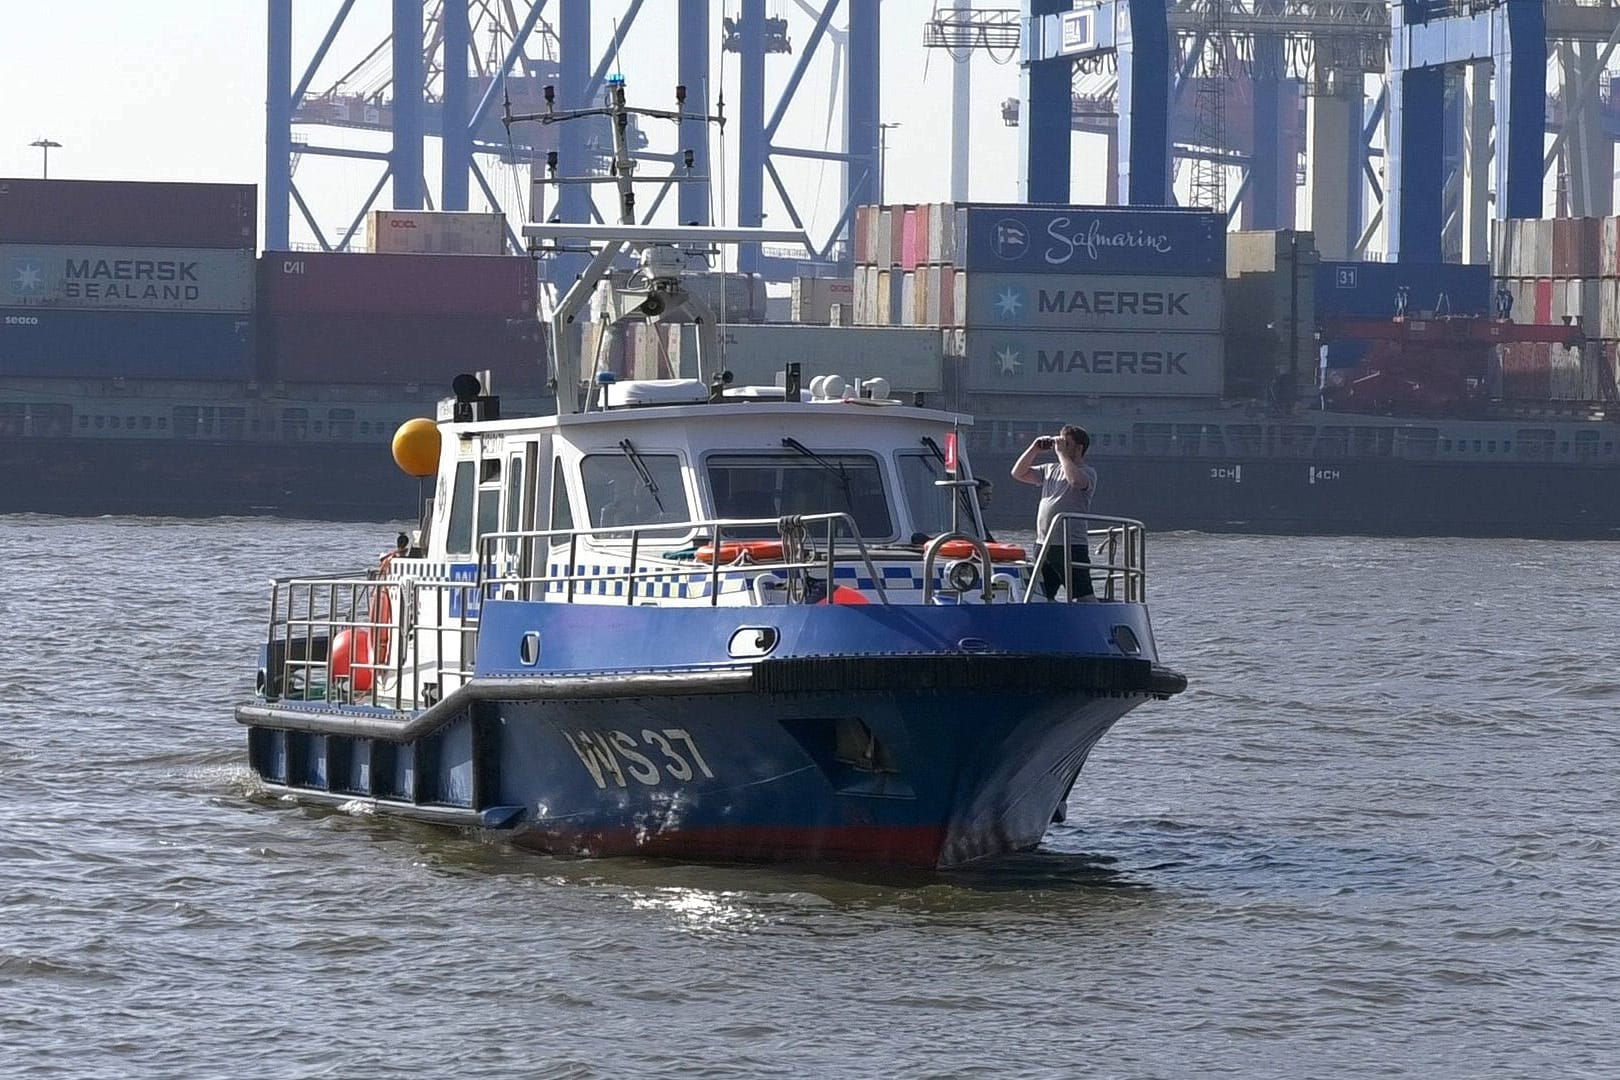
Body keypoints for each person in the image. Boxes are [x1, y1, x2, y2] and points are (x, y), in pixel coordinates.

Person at [1011, 425, 1096, 601]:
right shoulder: (1050, 469)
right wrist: (1034, 449)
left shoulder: (1088, 472)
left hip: (1070, 545)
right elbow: (1018, 473)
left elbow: (1075, 481)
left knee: (1083, 595)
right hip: (1044, 543)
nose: (1060, 445)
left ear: (1079, 448)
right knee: (1042, 594)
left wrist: (1061, 454)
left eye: (1066, 443)